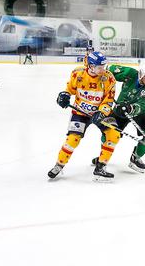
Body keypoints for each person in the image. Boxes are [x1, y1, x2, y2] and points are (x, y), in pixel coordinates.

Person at [48, 51, 118, 182]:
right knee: (72, 139)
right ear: (91, 66)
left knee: (114, 134)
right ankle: (59, 165)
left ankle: (101, 167)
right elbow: (70, 89)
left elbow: (109, 99)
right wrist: (64, 95)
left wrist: (102, 112)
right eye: (99, 67)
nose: (103, 69)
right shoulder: (78, 74)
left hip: (100, 113)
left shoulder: (109, 78)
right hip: (80, 112)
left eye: (103, 66)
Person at [96, 60, 145, 173]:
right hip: (119, 111)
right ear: (141, 73)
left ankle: (136, 158)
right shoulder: (130, 73)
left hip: (139, 114)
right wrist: (101, 78)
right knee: (108, 134)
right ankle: (102, 158)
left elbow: (144, 106)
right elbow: (110, 70)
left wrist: (131, 108)